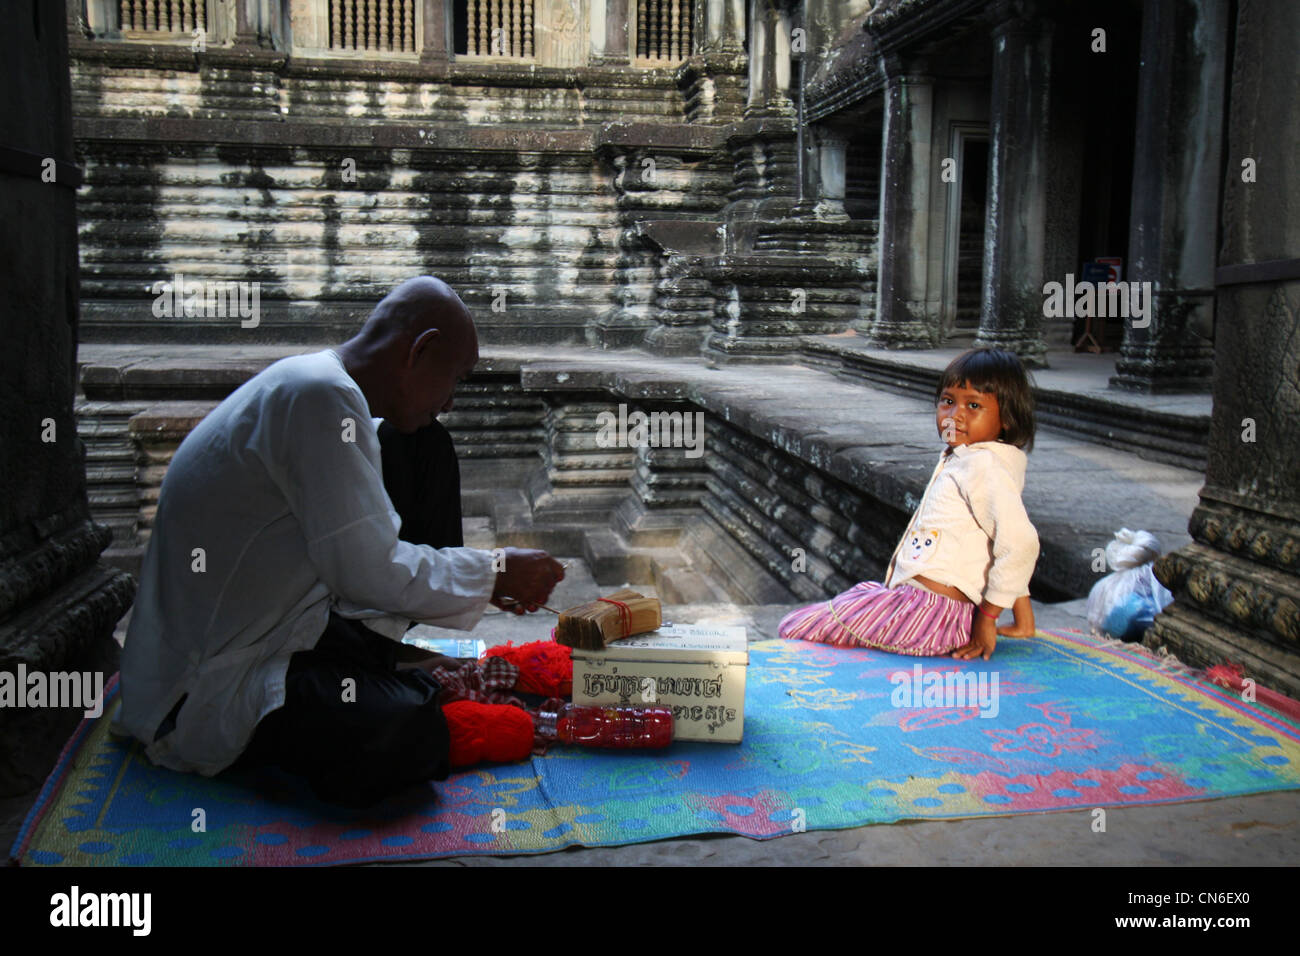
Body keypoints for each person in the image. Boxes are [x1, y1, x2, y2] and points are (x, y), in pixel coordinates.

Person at [115, 276, 564, 806]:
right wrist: (494, 571)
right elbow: (367, 571)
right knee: (401, 728)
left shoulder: (321, 387)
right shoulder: (317, 396)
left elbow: (355, 559)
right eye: (455, 378)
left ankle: (391, 664)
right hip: (206, 687)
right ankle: (398, 685)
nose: (450, 399)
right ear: (419, 351)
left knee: (422, 447)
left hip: (286, 623)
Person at [778, 347, 1039, 661]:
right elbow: (1000, 539)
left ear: (1007, 419)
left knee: (795, 625)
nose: (955, 415)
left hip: (928, 617)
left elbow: (1020, 544)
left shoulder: (983, 467)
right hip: (926, 608)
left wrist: (988, 617)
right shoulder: (971, 459)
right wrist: (1024, 621)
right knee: (862, 594)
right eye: (947, 401)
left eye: (973, 405)